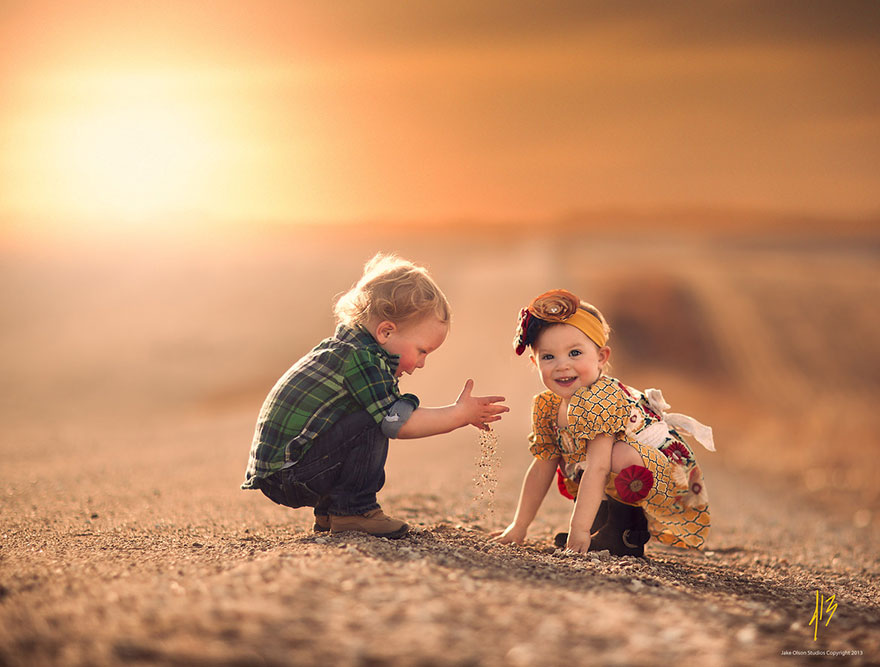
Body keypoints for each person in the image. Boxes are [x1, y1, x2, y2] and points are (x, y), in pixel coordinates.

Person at [241, 253, 508, 539]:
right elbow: (398, 423)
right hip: (292, 475)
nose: (421, 363)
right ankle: (354, 510)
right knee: (376, 417)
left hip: (285, 471)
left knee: (361, 413)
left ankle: (332, 510)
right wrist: (458, 415)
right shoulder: (363, 360)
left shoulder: (345, 348)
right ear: (386, 331)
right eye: (422, 350)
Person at [491, 289, 714, 556]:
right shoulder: (548, 406)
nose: (562, 365)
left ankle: (626, 531)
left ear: (601, 357)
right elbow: (542, 467)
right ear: (534, 362)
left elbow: (598, 468)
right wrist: (519, 526)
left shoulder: (602, 398)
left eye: (575, 353)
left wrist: (579, 529)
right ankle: (603, 521)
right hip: (627, 469)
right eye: (548, 357)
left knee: (609, 454)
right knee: (564, 453)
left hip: (667, 477)